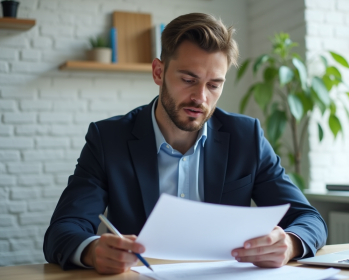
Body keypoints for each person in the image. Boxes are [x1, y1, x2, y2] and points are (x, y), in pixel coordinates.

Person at [43, 13, 327, 274]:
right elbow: (64, 229)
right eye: (189, 79)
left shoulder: (246, 137)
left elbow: (308, 218)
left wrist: (289, 243)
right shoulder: (108, 139)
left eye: (214, 84)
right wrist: (93, 251)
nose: (200, 98)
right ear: (158, 73)